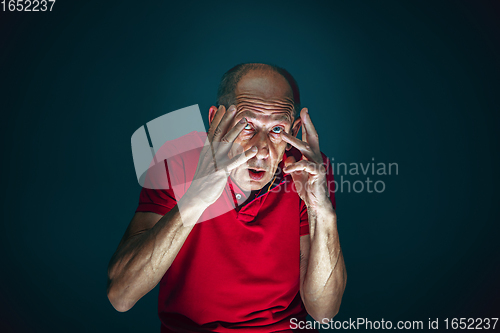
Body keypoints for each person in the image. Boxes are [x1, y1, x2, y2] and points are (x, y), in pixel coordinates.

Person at [106, 63, 346, 332]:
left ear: (295, 129)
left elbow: (324, 312)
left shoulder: (306, 169)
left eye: (277, 129)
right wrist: (197, 196)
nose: (261, 149)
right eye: (247, 125)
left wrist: (322, 212)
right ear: (216, 120)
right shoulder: (175, 159)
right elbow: (121, 296)